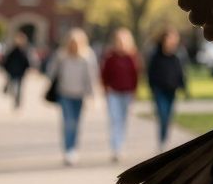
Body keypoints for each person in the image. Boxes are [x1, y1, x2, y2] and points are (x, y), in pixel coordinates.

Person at [46, 29, 96, 166]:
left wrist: (92, 94)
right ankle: (68, 150)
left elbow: (91, 77)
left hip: (79, 95)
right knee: (68, 122)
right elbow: (51, 71)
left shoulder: (87, 55)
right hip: (64, 93)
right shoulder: (61, 55)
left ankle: (74, 148)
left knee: (76, 123)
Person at [100, 28, 140, 163]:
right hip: (113, 93)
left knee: (123, 120)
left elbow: (135, 75)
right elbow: (104, 75)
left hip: (127, 93)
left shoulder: (131, 57)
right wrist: (105, 89)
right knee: (115, 120)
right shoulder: (110, 57)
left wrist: (135, 92)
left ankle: (120, 145)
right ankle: (116, 148)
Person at [146, 29, 188, 153]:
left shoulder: (178, 55)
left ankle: (164, 139)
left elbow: (181, 72)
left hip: (171, 90)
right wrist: (152, 87)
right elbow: (150, 73)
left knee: (168, 117)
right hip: (159, 90)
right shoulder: (155, 54)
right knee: (162, 115)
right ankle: (162, 141)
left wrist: (184, 88)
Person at [2, 31, 36, 111]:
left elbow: (27, 61)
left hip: (21, 72)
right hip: (12, 71)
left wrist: (29, 68)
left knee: (19, 88)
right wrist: (6, 69)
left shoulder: (25, 50)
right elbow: (6, 61)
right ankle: (15, 98)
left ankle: (17, 102)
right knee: (13, 87)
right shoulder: (13, 50)